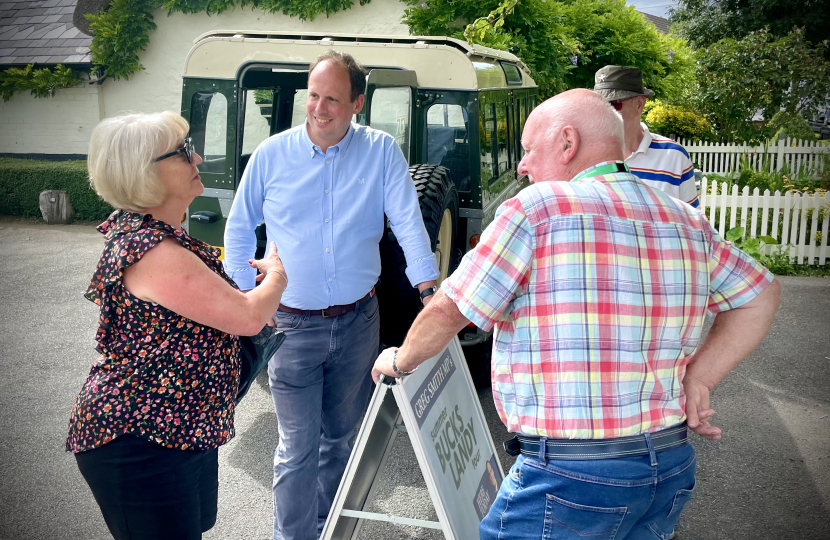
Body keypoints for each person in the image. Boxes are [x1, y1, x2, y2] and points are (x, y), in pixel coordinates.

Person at [373, 89, 782, 539]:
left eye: (528, 150)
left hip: (571, 476)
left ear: (567, 143)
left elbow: (451, 309)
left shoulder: (536, 210)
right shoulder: (685, 220)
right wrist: (699, 378)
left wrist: (399, 360)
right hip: (666, 465)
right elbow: (760, 294)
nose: (522, 166)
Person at [222, 50, 439, 540]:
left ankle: (326, 530)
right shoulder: (272, 155)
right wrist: (246, 304)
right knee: (297, 447)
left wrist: (429, 289)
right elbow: (238, 230)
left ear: (357, 103)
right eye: (313, 96)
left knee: (342, 441)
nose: (320, 108)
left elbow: (407, 221)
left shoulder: (382, 150)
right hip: (291, 326)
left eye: (333, 99)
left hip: (359, 321)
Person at [66, 111, 287, 540]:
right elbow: (247, 316)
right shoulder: (152, 249)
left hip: (178, 430)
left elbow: (230, 313)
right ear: (144, 172)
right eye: (184, 151)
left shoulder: (159, 234)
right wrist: (277, 274)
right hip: (141, 440)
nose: (198, 158)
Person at [594, 65, 700, 208]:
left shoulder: (674, 156)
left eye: (613, 104)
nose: (604, 112)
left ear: (639, 104)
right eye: (599, 105)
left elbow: (693, 221)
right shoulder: (587, 155)